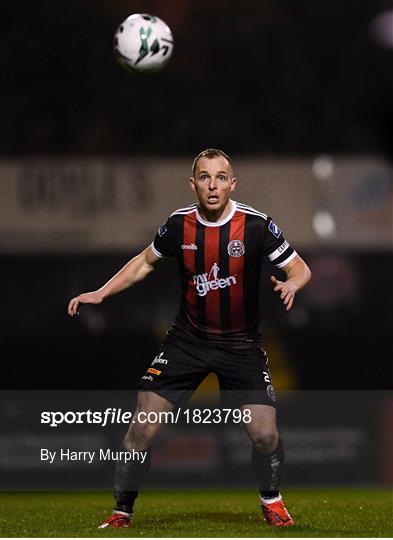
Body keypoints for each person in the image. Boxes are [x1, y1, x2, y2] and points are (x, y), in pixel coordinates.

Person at [68, 148, 311, 528]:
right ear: (193, 183)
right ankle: (121, 512)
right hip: (187, 342)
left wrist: (292, 283)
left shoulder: (257, 225)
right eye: (204, 177)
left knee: (264, 435)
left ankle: (271, 498)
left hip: (241, 346)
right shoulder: (179, 225)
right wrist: (101, 292)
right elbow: (144, 262)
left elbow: (299, 267)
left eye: (220, 177)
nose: (212, 185)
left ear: (233, 183)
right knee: (142, 429)